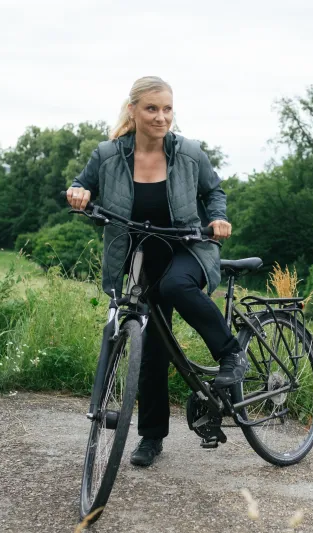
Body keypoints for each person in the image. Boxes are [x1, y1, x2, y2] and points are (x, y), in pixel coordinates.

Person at [66, 76, 248, 467]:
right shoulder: (108, 155)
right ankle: (150, 438)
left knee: (176, 286)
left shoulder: (189, 153)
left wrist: (217, 218)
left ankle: (232, 354)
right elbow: (82, 185)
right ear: (132, 110)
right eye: (152, 108)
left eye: (167, 109)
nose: (161, 117)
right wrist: (78, 193)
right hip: (137, 256)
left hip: (187, 248)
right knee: (149, 349)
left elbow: (214, 192)